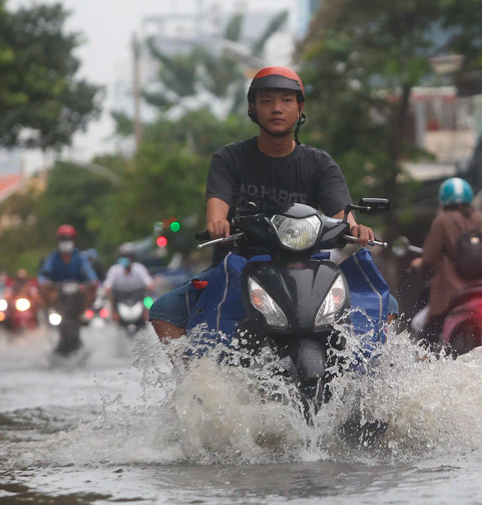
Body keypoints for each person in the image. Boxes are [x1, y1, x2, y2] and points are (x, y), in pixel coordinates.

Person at [150, 66, 375, 343]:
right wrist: (218, 224)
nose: (276, 109)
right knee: (164, 309)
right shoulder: (229, 158)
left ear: (300, 108)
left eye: (286, 100)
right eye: (267, 101)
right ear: (252, 108)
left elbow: (343, 215)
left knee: (383, 304)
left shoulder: (320, 164)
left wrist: (356, 229)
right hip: (238, 268)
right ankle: (196, 379)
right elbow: (216, 209)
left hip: (310, 271)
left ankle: (373, 378)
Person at [413, 177, 482, 343]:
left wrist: (420, 268)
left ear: (443, 200)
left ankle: (429, 361)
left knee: (430, 331)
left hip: (454, 291)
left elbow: (429, 258)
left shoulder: (442, 221)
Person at [37, 224, 99, 310]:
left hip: (78, 291)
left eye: (69, 239)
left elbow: (90, 273)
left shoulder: (80, 257)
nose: (66, 242)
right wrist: (45, 282)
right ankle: (50, 312)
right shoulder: (53, 258)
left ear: (74, 240)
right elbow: (43, 275)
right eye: (63, 239)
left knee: (91, 291)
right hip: (58, 291)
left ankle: (84, 313)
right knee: (45, 292)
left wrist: (93, 282)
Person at [102, 243, 155, 322]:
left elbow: (149, 283)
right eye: (124, 256)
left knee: (149, 300)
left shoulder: (139, 268)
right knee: (108, 303)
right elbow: (107, 286)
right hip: (119, 299)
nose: (126, 259)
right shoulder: (114, 269)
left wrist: (149, 288)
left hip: (138, 298)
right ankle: (114, 316)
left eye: (128, 257)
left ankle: (148, 317)